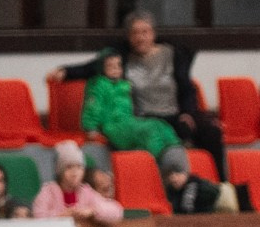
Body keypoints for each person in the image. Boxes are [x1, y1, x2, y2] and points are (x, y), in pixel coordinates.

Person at [52, 11, 225, 173]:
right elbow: (94, 67)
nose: (140, 37)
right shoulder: (122, 59)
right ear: (129, 37)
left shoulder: (173, 54)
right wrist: (66, 72)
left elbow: (187, 88)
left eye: (145, 32)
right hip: (145, 118)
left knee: (210, 130)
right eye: (135, 33)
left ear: (153, 34)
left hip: (176, 115)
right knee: (155, 133)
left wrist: (187, 112)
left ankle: (223, 184)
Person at [80, 51, 181, 156]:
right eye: (110, 66)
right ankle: (154, 161)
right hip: (112, 127)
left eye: (118, 65)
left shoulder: (125, 85)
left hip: (129, 122)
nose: (115, 69)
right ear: (101, 68)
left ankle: (176, 152)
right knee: (149, 130)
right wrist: (90, 128)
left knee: (160, 124)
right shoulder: (98, 85)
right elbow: (92, 108)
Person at [31, 140, 123, 227]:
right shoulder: (48, 191)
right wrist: (61, 216)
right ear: (60, 171)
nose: (75, 173)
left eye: (79, 167)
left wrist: (93, 211)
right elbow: (38, 217)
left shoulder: (86, 192)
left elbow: (117, 211)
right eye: (69, 167)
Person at [160, 145, 234, 215]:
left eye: (178, 173)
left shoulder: (198, 186)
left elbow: (214, 193)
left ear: (186, 172)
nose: (174, 178)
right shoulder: (169, 192)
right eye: (169, 174)